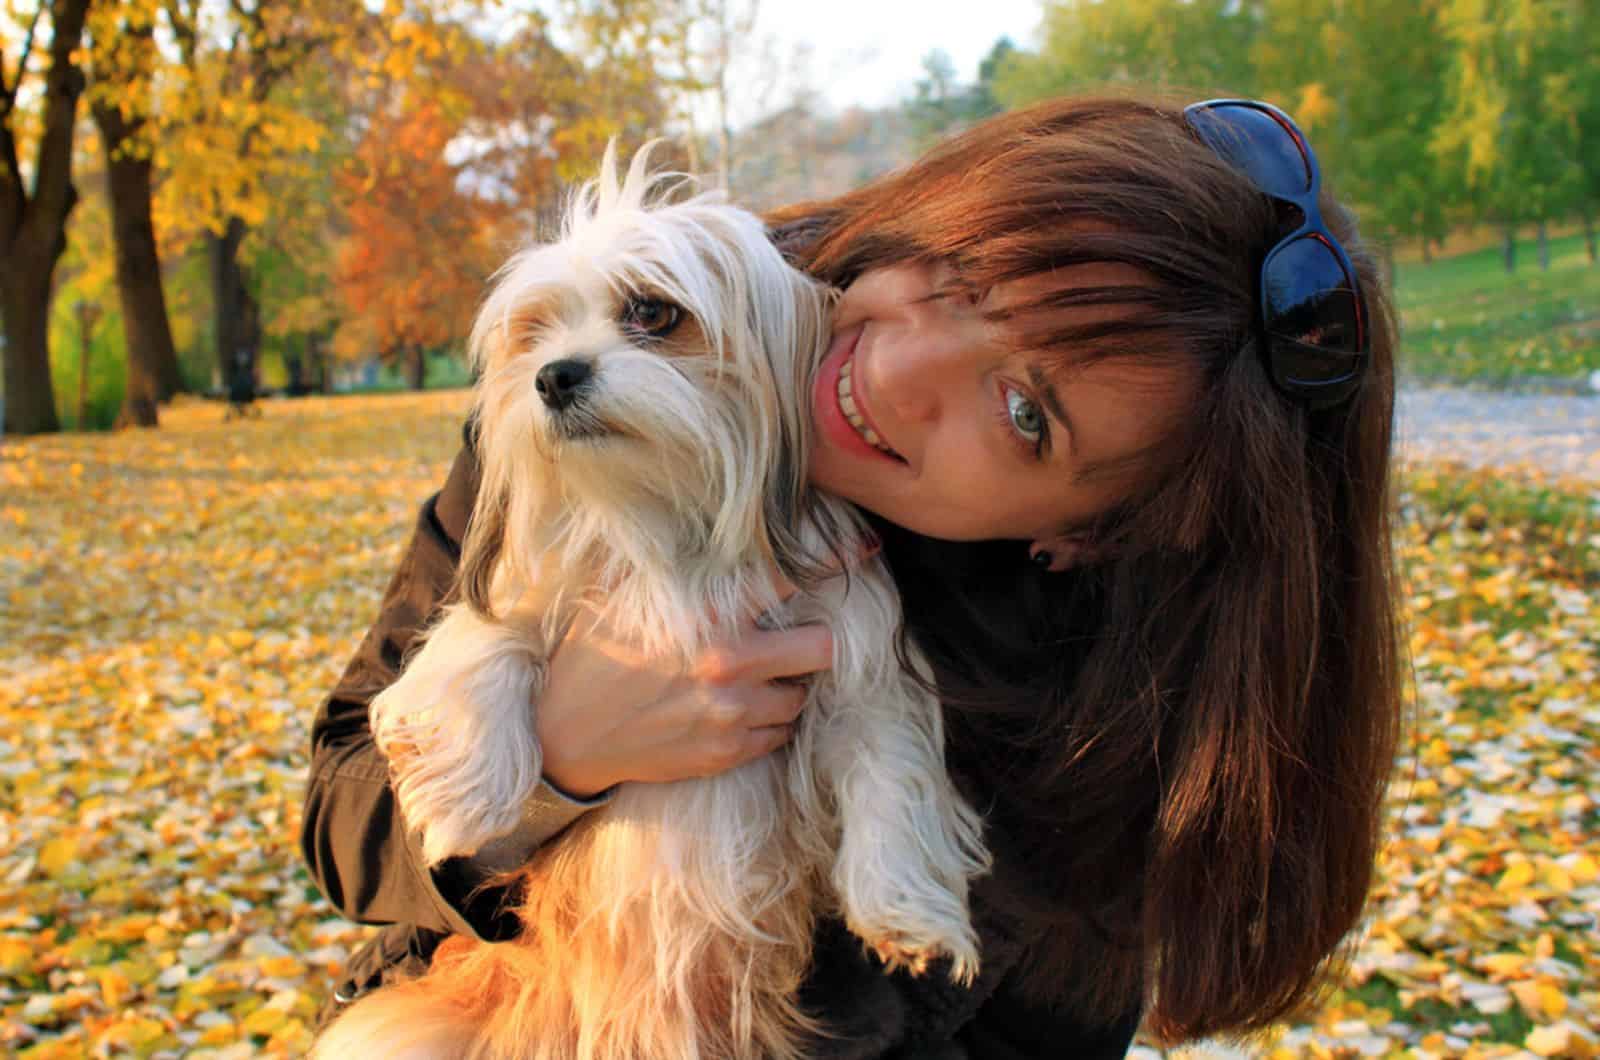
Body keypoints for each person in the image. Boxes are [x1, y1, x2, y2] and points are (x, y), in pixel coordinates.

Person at [301, 94, 1402, 1058]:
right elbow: (343, 812)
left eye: (1025, 416)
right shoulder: (595, 385)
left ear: (1090, 539)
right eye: (959, 278)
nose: (892, 365)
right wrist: (564, 753)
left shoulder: (1113, 728)